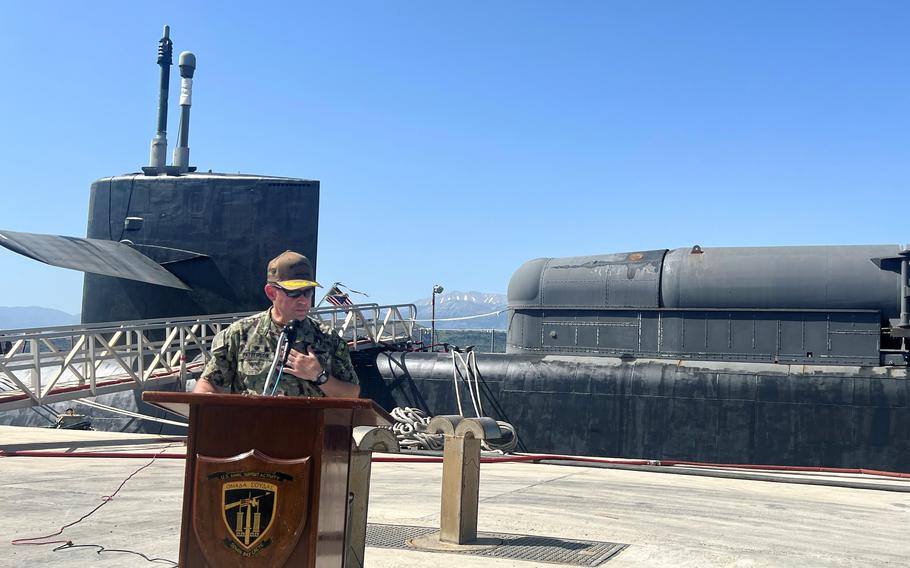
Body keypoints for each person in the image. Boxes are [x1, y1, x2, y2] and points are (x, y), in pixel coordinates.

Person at [193, 250, 360, 398]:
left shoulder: (328, 339)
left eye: (308, 291)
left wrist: (319, 375)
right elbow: (209, 383)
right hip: (253, 429)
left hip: (308, 430)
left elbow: (352, 394)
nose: (303, 300)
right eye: (293, 292)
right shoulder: (239, 334)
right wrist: (206, 402)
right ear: (271, 292)